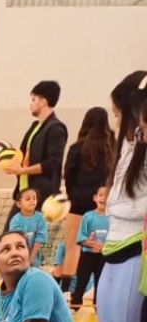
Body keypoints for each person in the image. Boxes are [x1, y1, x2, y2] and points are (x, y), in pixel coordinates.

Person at [52, 71, 147, 322]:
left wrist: (116, 205)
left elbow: (135, 205)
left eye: (118, 108)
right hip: (113, 249)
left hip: (135, 249)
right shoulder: (129, 147)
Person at [59, 107, 115, 292]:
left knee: (73, 247)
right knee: (105, 244)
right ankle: (105, 289)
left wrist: (72, 197)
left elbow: (68, 174)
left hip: (79, 202)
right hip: (106, 203)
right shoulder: (113, 145)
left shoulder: (77, 147)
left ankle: (67, 291)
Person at [2, 80, 67, 208]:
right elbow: (22, 153)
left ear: (43, 102)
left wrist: (23, 170)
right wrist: (5, 157)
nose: (30, 104)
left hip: (40, 197)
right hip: (24, 192)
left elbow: (52, 162)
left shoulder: (56, 128)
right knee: (12, 227)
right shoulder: (35, 126)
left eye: (33, 100)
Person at [69, 185, 108, 309]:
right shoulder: (88, 216)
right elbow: (81, 238)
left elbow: (114, 237)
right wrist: (91, 243)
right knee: (81, 281)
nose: (103, 198)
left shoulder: (112, 218)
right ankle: (75, 305)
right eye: (101, 195)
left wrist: (103, 247)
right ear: (95, 198)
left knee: (100, 283)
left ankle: (98, 307)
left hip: (104, 255)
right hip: (87, 255)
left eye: (107, 196)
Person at [7, 188, 48, 267]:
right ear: (19, 204)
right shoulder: (16, 220)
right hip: (18, 254)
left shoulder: (40, 218)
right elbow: (16, 241)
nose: (32, 201)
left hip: (34, 255)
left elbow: (39, 239)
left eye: (34, 198)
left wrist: (31, 257)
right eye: (28, 199)